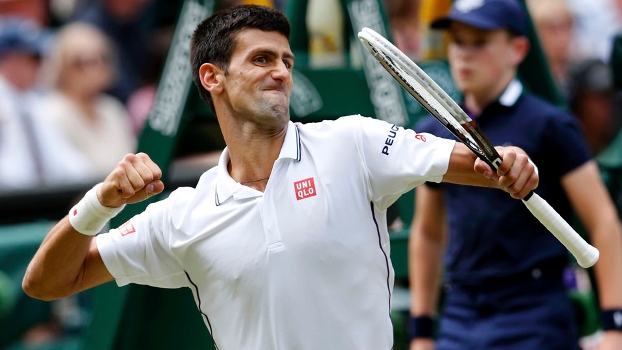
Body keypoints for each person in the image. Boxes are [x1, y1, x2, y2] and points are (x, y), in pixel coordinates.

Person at [22, 5, 539, 349]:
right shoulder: (182, 216)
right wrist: (100, 204)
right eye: (262, 59)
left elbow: (476, 163)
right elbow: (45, 283)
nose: (282, 72)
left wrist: (508, 164)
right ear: (212, 77)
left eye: (286, 61)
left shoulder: (353, 142)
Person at [407, 1, 622, 349]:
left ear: (517, 49)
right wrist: (421, 332)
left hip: (534, 313)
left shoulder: (551, 126)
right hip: (460, 314)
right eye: (458, 41)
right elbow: (428, 233)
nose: (464, 54)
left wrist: (615, 325)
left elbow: (604, 222)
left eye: (480, 41)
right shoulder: (433, 132)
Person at [0, 17, 89, 190]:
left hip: (40, 203)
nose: (39, 66)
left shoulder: (35, 104)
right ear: (9, 60)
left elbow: (69, 163)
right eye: (32, 59)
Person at [41, 22, 136, 181]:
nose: (95, 67)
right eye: (81, 61)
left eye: (102, 58)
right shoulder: (49, 112)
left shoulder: (112, 109)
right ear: (62, 67)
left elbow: (132, 158)